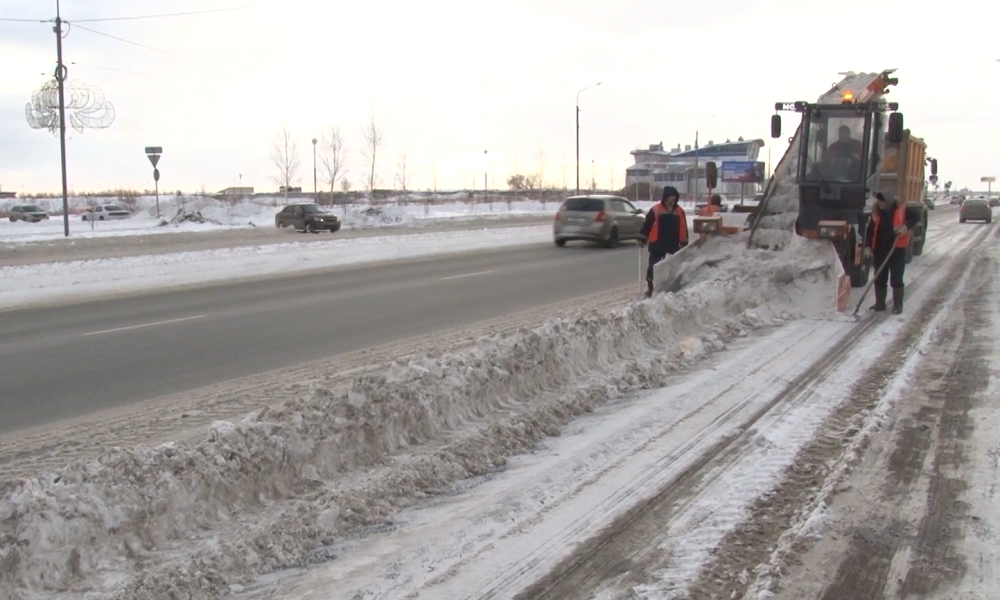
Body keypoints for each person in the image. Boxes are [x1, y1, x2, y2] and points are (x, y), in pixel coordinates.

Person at [864, 191, 918, 314]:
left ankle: (898, 306)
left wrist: (905, 227)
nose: (879, 203)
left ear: (888, 202)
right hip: (879, 250)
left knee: (896, 278)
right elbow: (870, 231)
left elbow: (916, 216)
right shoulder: (876, 212)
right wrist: (867, 247)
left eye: (881, 201)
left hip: (896, 250)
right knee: (879, 277)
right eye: (878, 201)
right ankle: (880, 304)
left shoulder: (901, 209)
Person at [639, 186, 688, 297]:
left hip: (672, 243)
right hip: (657, 243)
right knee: (653, 267)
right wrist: (642, 236)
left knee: (672, 267)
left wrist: (684, 241)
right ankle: (651, 288)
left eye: (675, 196)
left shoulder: (679, 211)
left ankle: (670, 288)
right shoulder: (656, 209)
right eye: (671, 196)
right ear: (666, 197)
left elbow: (683, 227)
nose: (673, 198)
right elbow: (647, 224)